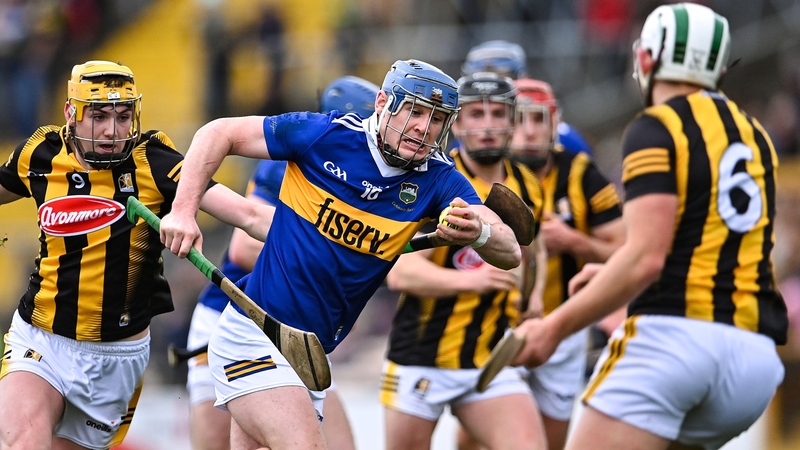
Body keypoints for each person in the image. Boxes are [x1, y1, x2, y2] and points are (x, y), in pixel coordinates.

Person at [159, 59, 523, 449]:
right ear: (383, 102)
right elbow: (219, 132)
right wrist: (182, 210)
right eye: (414, 111)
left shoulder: (438, 178)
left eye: (436, 119)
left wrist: (480, 231)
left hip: (312, 354)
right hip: (256, 335)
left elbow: (511, 249)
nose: (424, 127)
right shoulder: (323, 134)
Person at [512, 4, 788, 449]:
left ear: (646, 59)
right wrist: (613, 273)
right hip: (753, 361)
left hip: (675, 346)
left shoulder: (658, 126)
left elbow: (645, 259)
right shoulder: (754, 132)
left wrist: (552, 328)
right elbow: (707, 241)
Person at [0, 60, 273, 449]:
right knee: (22, 442)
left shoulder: (154, 162)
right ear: (71, 114)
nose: (113, 130)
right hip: (40, 337)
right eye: (98, 116)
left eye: (123, 116)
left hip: (117, 357)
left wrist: (326, 242)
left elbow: (249, 214)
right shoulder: (40, 153)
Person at [184, 75, 380, 450]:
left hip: (298, 334)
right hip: (232, 319)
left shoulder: (372, 186)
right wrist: (327, 253)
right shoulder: (291, 163)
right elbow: (243, 248)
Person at [380, 71, 547, 450]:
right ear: (456, 122)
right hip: (420, 355)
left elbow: (535, 245)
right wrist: (474, 282)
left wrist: (535, 296)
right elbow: (399, 272)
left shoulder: (527, 183)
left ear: (512, 121)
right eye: (475, 114)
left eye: (497, 114)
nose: (487, 125)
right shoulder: (427, 178)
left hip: (488, 355)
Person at [461, 39, 593, 157]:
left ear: (524, 79)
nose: (491, 91)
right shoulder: (467, 141)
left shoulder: (564, 138)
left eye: (503, 79)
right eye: (480, 82)